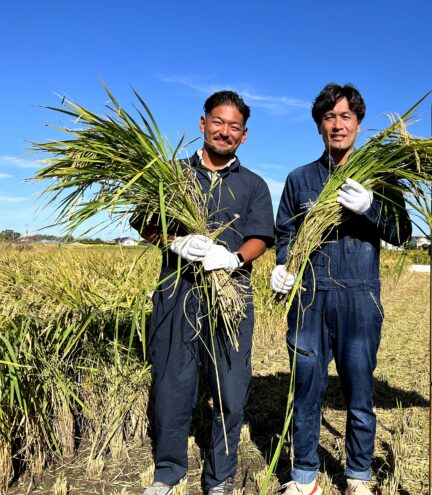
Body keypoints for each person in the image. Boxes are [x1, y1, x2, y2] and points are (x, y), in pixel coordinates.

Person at [270, 83, 412, 495]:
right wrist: (283, 265)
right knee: (306, 387)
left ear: (359, 123)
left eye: (345, 116)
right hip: (309, 297)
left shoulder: (380, 179)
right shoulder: (300, 180)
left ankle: (358, 475)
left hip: (359, 296)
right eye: (329, 117)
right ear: (318, 126)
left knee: (359, 388)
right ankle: (304, 477)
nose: (337, 124)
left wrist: (372, 207)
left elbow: (401, 231)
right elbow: (285, 233)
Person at [134, 91, 274, 495]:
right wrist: (173, 241)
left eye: (234, 127)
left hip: (231, 298)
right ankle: (168, 471)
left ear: (244, 136)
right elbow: (144, 221)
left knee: (231, 389)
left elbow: (261, 237)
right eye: (218, 122)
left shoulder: (254, 185)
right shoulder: (173, 174)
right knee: (172, 386)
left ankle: (220, 477)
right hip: (177, 293)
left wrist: (232, 259)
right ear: (202, 124)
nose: (224, 131)